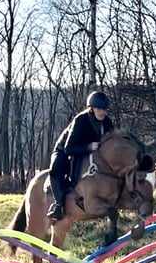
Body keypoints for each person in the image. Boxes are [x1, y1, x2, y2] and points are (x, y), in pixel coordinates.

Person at [46, 90, 115, 221]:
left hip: (91, 152)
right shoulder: (81, 120)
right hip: (66, 150)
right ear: (92, 108)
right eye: (99, 109)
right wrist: (89, 147)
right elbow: (68, 148)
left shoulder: (107, 122)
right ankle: (58, 205)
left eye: (104, 109)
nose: (102, 112)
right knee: (55, 170)